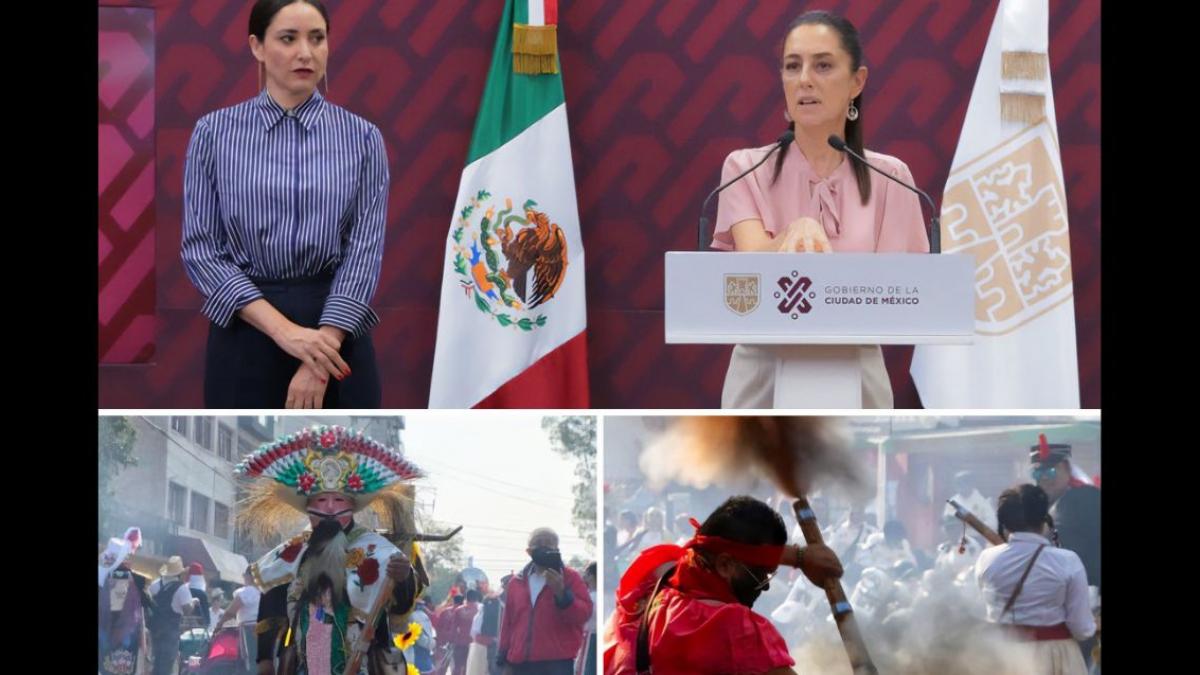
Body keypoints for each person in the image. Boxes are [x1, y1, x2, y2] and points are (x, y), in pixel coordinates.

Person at [711, 10, 929, 409]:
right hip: (761, 371)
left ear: (857, 82)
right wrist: (797, 231)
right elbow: (748, 267)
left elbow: (902, 289)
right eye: (793, 67)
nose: (805, 79)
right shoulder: (744, 168)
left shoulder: (891, 176)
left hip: (857, 368)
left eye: (823, 65)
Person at [181, 0, 388, 408]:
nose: (305, 53)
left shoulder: (363, 139)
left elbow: (364, 252)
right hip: (247, 327)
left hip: (337, 333)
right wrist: (284, 332)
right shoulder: (214, 133)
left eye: (317, 38)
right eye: (288, 39)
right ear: (257, 46)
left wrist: (319, 355)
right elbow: (201, 249)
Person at [235, 425, 429, 674]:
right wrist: (264, 661)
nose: (329, 508)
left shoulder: (379, 551)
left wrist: (402, 578)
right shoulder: (293, 552)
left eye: (338, 500)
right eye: (320, 500)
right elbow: (272, 605)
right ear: (307, 507)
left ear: (352, 506)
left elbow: (399, 609)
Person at [604, 495, 844, 674]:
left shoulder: (649, 590)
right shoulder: (734, 627)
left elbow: (711, 545)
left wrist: (798, 557)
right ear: (726, 565)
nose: (765, 586)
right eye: (761, 574)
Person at [975, 484, 1095, 675]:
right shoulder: (1067, 561)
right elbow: (1082, 629)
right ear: (1044, 519)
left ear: (1005, 522)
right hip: (1055, 656)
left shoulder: (985, 559)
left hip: (1001, 657)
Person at [498, 528, 593, 675]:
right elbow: (508, 623)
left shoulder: (571, 578)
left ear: (557, 548)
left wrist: (562, 594)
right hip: (518, 662)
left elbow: (583, 614)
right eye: (538, 543)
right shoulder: (516, 582)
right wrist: (503, 656)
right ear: (529, 551)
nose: (543, 547)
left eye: (548, 544)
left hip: (557, 663)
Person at [99, 527, 151, 675]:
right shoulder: (121, 577)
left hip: (106, 636)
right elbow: (119, 613)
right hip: (121, 639)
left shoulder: (105, 579)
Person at [216, 567, 263, 673]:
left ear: (248, 576)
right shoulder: (262, 590)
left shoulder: (248, 591)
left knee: (250, 660)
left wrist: (219, 624)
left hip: (249, 628)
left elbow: (230, 612)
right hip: (262, 627)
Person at [575, 563, 597, 675]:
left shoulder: (591, 597)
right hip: (589, 636)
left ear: (592, 576)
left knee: (586, 668)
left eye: (586, 573)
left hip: (590, 637)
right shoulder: (589, 595)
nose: (584, 576)